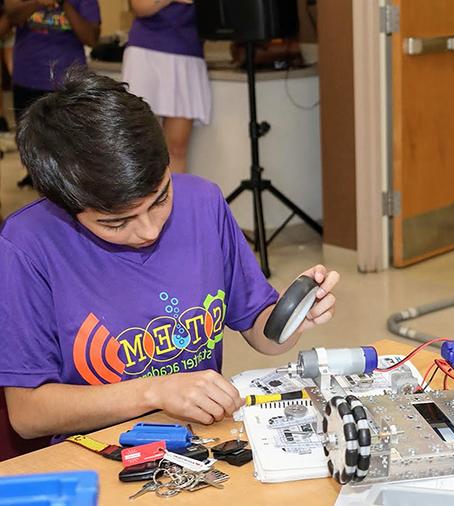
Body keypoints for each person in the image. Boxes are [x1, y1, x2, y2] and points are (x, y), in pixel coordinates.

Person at [0, 69, 339, 445]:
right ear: (66, 208)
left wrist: (291, 319)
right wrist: (154, 391)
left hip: (200, 443)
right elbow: (27, 414)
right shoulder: (28, 245)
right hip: (98, 454)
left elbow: (263, 334)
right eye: (116, 223)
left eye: (161, 198)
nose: (148, 230)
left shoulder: (203, 203)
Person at [5, 0, 99, 188]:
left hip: (68, 80)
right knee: (28, 141)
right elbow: (11, 17)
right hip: (28, 75)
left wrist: (64, 3)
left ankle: (66, 186)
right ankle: (39, 178)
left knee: (70, 142)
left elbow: (91, 37)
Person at [122, 0, 209, 173]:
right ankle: (142, 200)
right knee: (142, 144)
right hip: (147, 51)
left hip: (188, 52)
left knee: (177, 147)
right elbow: (140, 6)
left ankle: (173, 200)